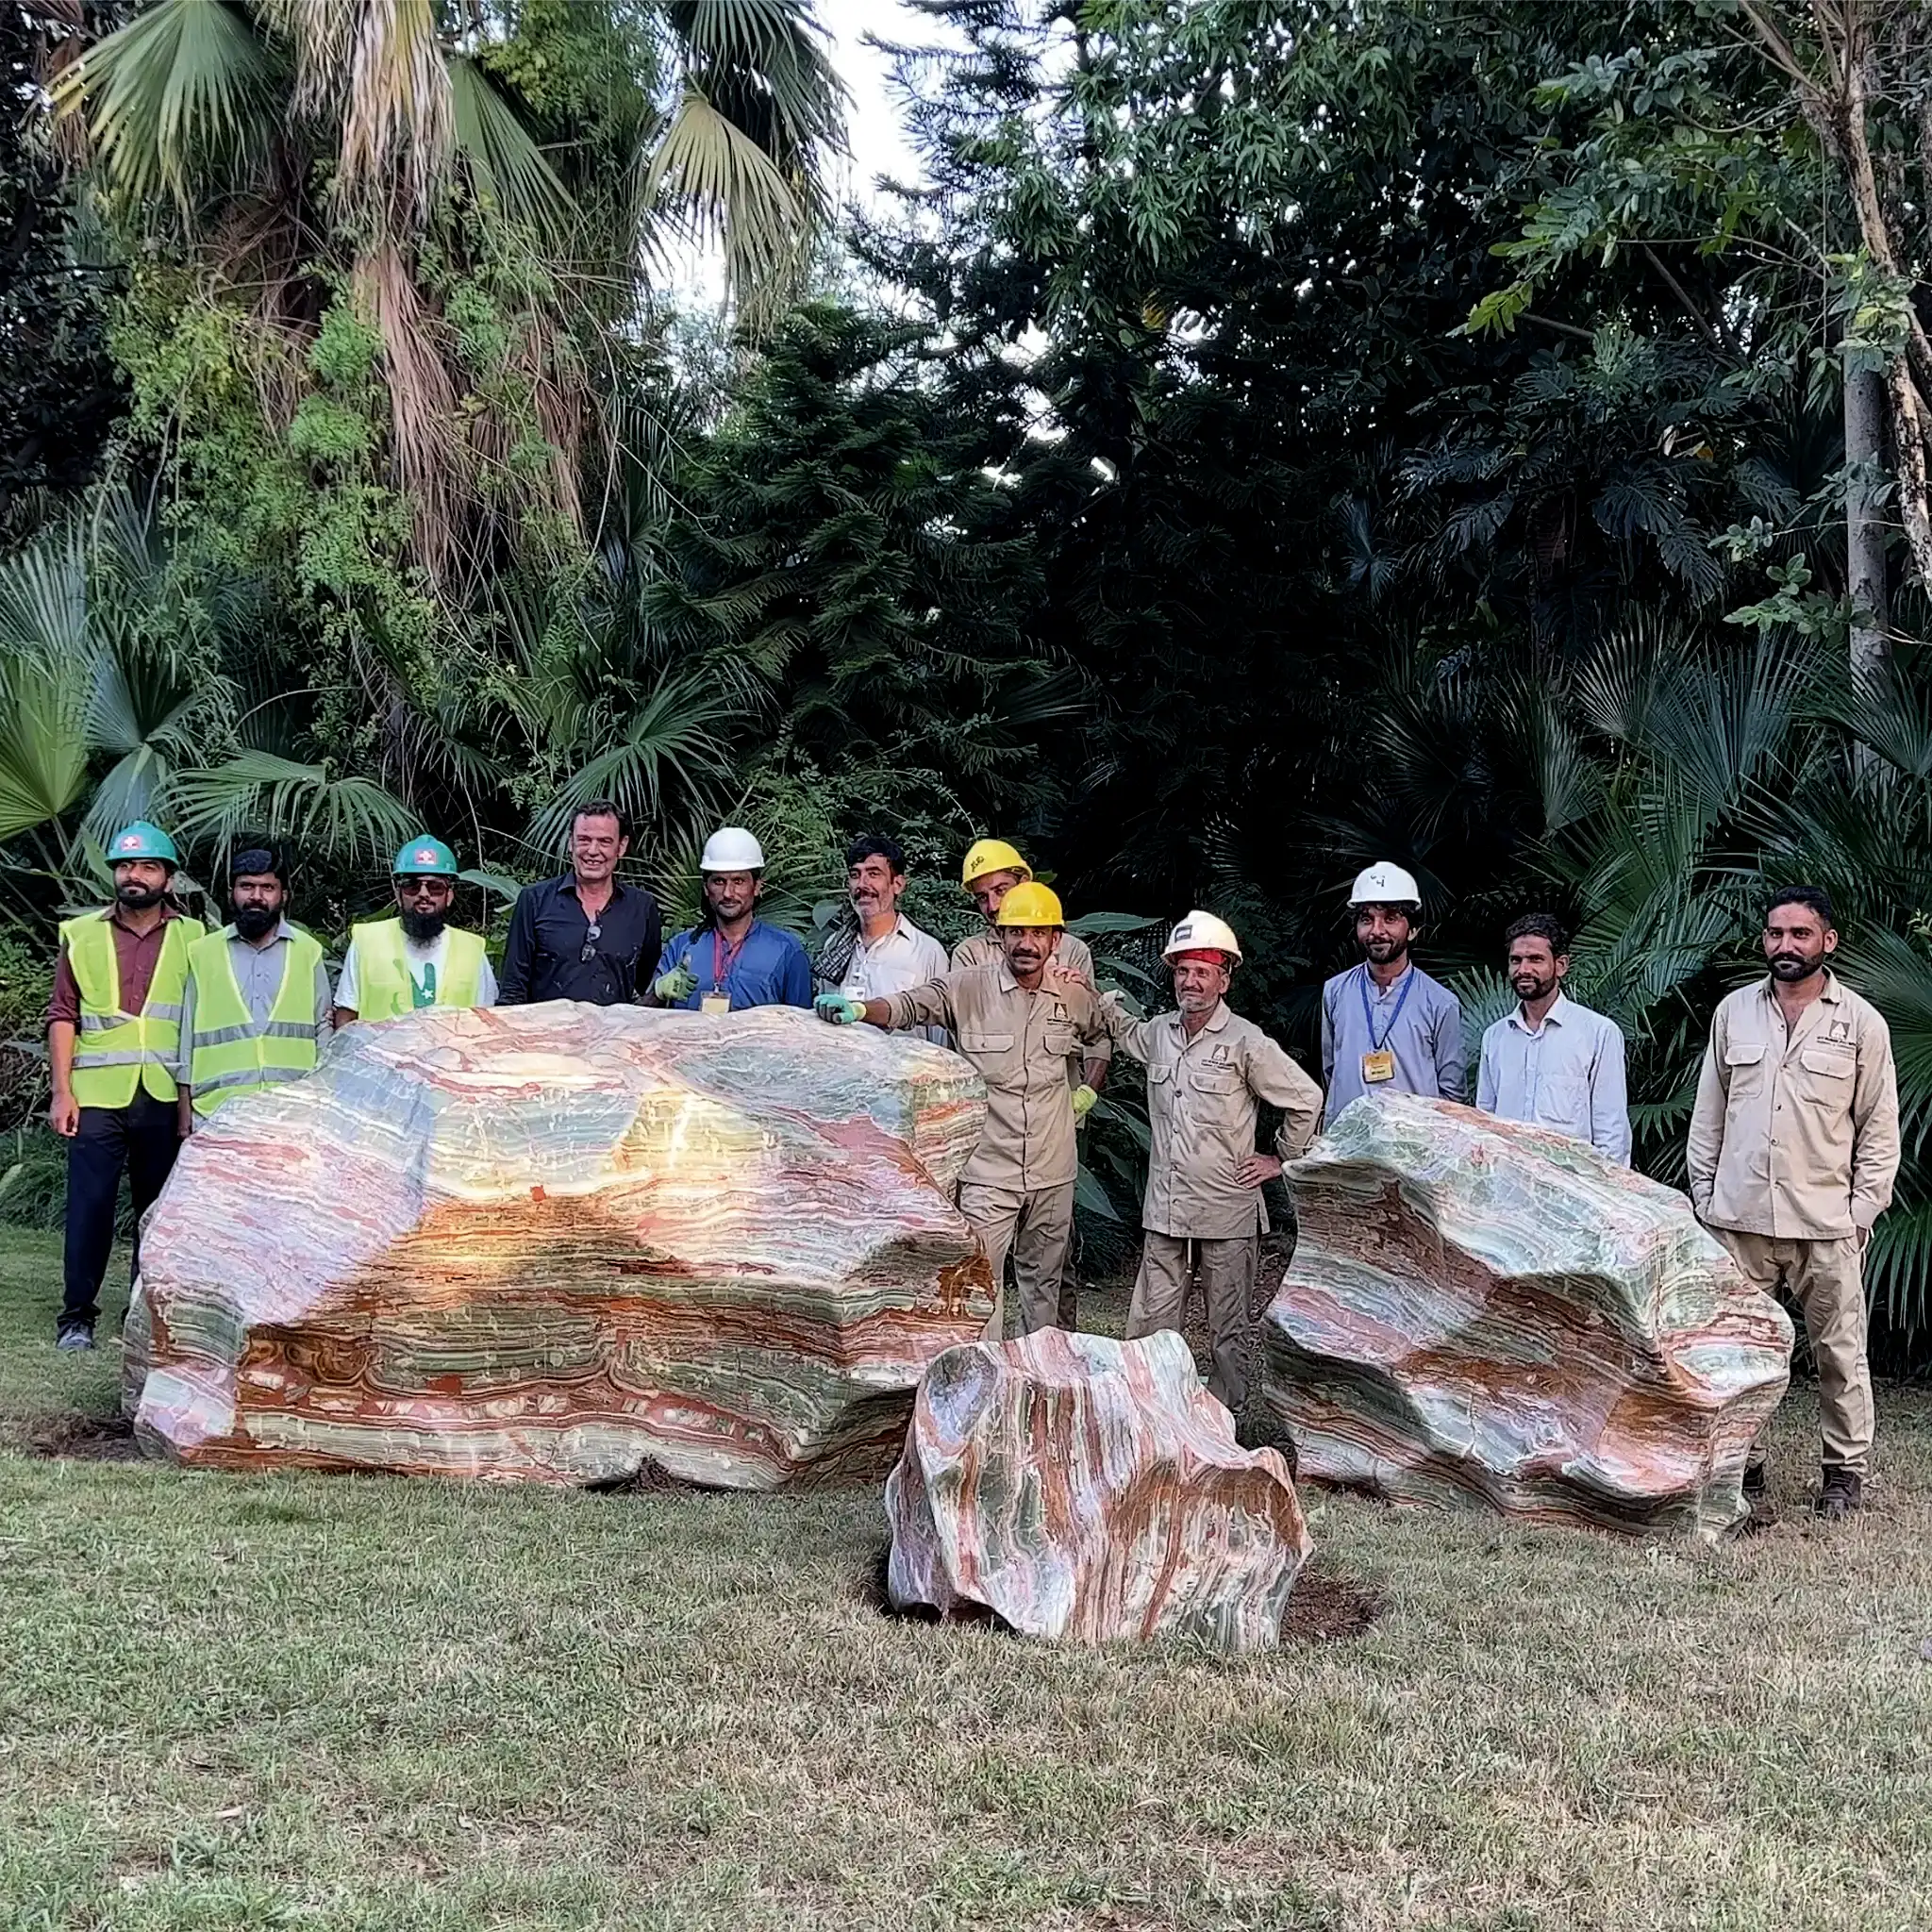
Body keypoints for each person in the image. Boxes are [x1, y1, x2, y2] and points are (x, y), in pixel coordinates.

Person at [815, 881, 1116, 1339]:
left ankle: (1038, 1381)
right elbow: (910, 1005)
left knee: (1044, 1287)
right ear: (1001, 936)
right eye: (1016, 932)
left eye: (1038, 934)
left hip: (1053, 1170)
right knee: (981, 1284)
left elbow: (1101, 1034)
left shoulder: (1073, 995)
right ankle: (984, 1384)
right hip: (987, 1172)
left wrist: (1089, 1090)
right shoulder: (969, 987)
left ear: (1056, 941)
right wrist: (859, 1009)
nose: (1026, 944)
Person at [1687, 885, 1900, 1520]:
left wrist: (1861, 1214)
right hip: (1739, 1221)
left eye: (1800, 934)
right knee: (1733, 1355)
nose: (1786, 945)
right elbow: (1709, 1116)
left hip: (1825, 1223)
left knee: (1839, 1354)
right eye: (1776, 934)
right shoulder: (1733, 1013)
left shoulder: (1860, 1022)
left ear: (1827, 941)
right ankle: (1739, 1467)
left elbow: (1879, 1129)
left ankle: (1843, 1475)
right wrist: (1706, 1199)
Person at [1104, 912, 1323, 1413]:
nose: (1191, 981)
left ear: (1224, 979)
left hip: (1226, 1210)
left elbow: (1305, 1099)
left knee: (1228, 1328)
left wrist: (1280, 1160)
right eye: (1182, 970)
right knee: (1149, 1323)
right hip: (1166, 1210)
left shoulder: (1246, 1041)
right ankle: (1150, 1414)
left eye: (1203, 971)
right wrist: (1094, 993)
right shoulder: (1159, 1032)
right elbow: (1121, 1030)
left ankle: (1228, 1421)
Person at [44, 822, 205, 1351]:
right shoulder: (83, 934)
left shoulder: (196, 939)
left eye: (147, 867)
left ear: (169, 878)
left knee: (156, 1210)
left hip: (161, 1094)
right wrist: (62, 1092)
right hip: (95, 1096)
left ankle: (143, 1314)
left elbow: (200, 1021)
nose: (134, 876)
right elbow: (63, 1014)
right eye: (125, 866)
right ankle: (76, 1318)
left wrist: (189, 1103)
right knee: (89, 1206)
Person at [178, 841, 332, 1127]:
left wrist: (321, 1104)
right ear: (231, 894)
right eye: (246, 887)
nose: (256, 897)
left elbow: (324, 1032)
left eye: (267, 888)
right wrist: (184, 1112)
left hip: (293, 1111)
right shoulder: (202, 953)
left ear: (284, 895)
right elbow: (186, 1036)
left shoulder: (308, 951)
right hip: (217, 1113)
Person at [1475, 913, 1629, 1163]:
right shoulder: (1495, 1037)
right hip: (1508, 1183)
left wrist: (1608, 1194)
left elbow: (1611, 1129)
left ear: (1561, 965)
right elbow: (1484, 1119)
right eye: (1516, 960)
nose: (1523, 969)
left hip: (1573, 1188)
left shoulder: (1598, 1033)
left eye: (1535, 959)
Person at [1320, 861, 1464, 1117]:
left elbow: (1452, 1096)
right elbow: (1331, 1072)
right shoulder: (1335, 992)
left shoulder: (1440, 1002)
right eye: (1367, 919)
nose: (1377, 931)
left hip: (1412, 1148)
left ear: (1413, 929)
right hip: (1347, 1145)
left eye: (1390, 919)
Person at [498, 800, 662, 1008]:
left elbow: (648, 985)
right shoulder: (534, 901)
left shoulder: (642, 907)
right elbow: (512, 988)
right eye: (584, 839)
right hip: (548, 1035)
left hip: (613, 1036)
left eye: (604, 841)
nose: (592, 851)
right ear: (570, 843)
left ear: (621, 846)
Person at [333, 836, 497, 1025]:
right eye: (412, 886)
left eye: (435, 887)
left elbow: (487, 1022)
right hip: (382, 1055)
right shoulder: (367, 941)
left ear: (449, 895)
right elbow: (347, 1016)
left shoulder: (471, 950)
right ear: (398, 894)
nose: (424, 894)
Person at [648, 827, 812, 1012]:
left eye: (738, 881)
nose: (728, 893)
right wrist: (657, 992)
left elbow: (803, 1026)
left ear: (757, 887)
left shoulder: (786, 951)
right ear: (706, 888)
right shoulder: (681, 947)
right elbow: (641, 1019)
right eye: (719, 881)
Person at [833, 833, 949, 1043]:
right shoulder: (834, 948)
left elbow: (940, 1035)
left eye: (874, 874)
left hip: (904, 1073)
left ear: (898, 884)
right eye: (855, 874)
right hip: (843, 1072)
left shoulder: (926, 952)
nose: (862, 885)